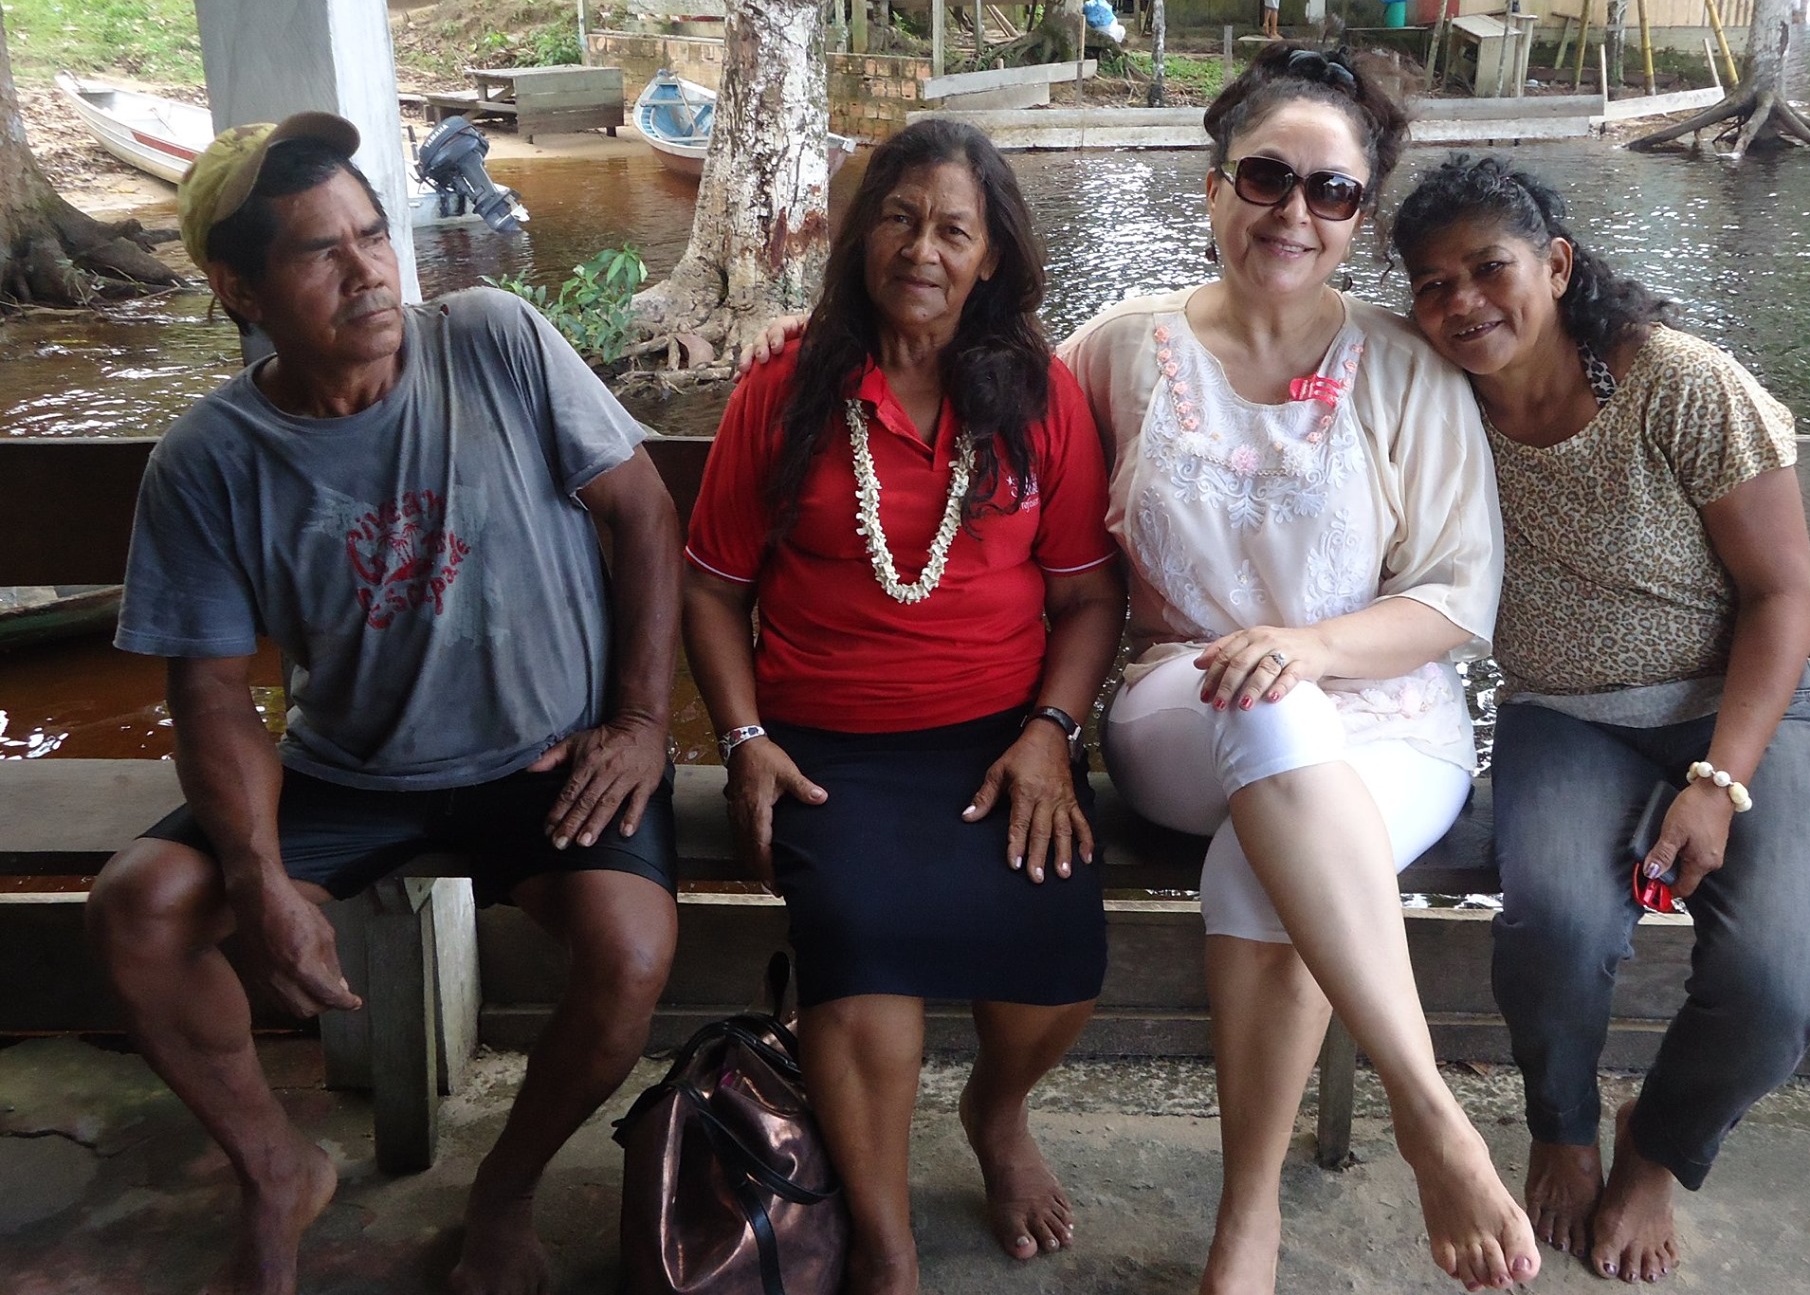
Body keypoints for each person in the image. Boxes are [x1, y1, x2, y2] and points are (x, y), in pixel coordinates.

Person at [85, 115, 684, 1295]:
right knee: (136, 911)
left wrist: (640, 722)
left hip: (547, 761)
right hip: (352, 771)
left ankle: (502, 1193)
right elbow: (210, 691)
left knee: (630, 952)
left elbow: (644, 513)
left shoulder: (495, 338)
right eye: (321, 251)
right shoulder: (210, 458)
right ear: (239, 288)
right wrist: (259, 875)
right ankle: (276, 1171)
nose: (368, 271)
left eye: (372, 233)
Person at [1061, 44, 1538, 1295]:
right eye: (1265, 177)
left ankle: (1246, 1222)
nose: (1291, 213)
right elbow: (981, 416)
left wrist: (1313, 650)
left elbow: (1453, 596)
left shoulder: (1405, 367)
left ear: (1358, 218)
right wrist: (820, 337)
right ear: (1213, 186)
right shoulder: (1119, 348)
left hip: (1388, 718)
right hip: (1180, 704)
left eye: (1329, 192)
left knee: (1260, 852)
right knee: (1267, 715)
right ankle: (1429, 1115)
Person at [681, 118, 1124, 1295]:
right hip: (825, 747)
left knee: (1059, 956)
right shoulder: (784, 389)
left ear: (991, 257)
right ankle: (886, 1248)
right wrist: (743, 740)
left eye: (952, 230)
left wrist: (1050, 735)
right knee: (859, 951)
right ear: (858, 237)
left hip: (1003, 739)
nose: (922, 249)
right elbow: (712, 589)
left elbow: (1088, 599)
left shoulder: (1038, 396)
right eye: (898, 218)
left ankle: (995, 1114)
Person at [1392, 154, 1810, 1284]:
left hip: (1737, 707)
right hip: (1564, 715)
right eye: (1432, 285)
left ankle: (1657, 1146)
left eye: (1488, 268)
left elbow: (1785, 596)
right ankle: (1562, 1126)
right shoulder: (1433, 399)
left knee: (1774, 992)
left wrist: (1718, 781)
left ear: (1554, 263)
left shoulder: (1678, 382)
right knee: (1552, 931)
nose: (1462, 303)